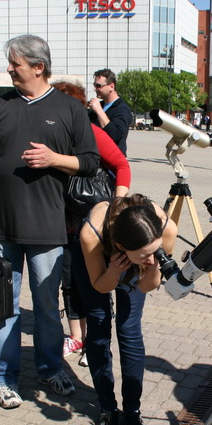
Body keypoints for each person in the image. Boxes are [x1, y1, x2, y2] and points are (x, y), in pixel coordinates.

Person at [0, 35, 100, 409]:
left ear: (38, 66)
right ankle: (4, 377)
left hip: (47, 227)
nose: (9, 68)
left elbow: (90, 161)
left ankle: (49, 368)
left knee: (45, 307)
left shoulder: (69, 109)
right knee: (3, 307)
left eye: (15, 63)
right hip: (0, 228)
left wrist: (55, 158)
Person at [72, 194, 176, 425]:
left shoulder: (166, 229)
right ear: (120, 247)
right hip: (98, 256)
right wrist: (114, 270)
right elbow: (100, 286)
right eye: (145, 256)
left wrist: (151, 266)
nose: (152, 258)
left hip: (130, 250)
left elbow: (147, 286)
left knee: (129, 329)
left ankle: (132, 410)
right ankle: (107, 408)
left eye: (155, 252)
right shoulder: (92, 235)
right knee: (98, 326)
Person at [52, 80, 132, 367]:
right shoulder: (50, 135)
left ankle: (97, 343)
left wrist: (115, 207)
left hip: (90, 221)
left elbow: (122, 165)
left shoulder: (91, 132)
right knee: (69, 281)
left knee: (94, 285)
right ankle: (77, 336)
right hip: (61, 221)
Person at [89, 68, 132, 155]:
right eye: (94, 85)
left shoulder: (122, 109)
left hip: (112, 163)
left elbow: (116, 135)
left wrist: (99, 111)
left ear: (111, 86)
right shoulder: (99, 105)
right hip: (97, 160)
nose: (95, 89)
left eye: (98, 86)